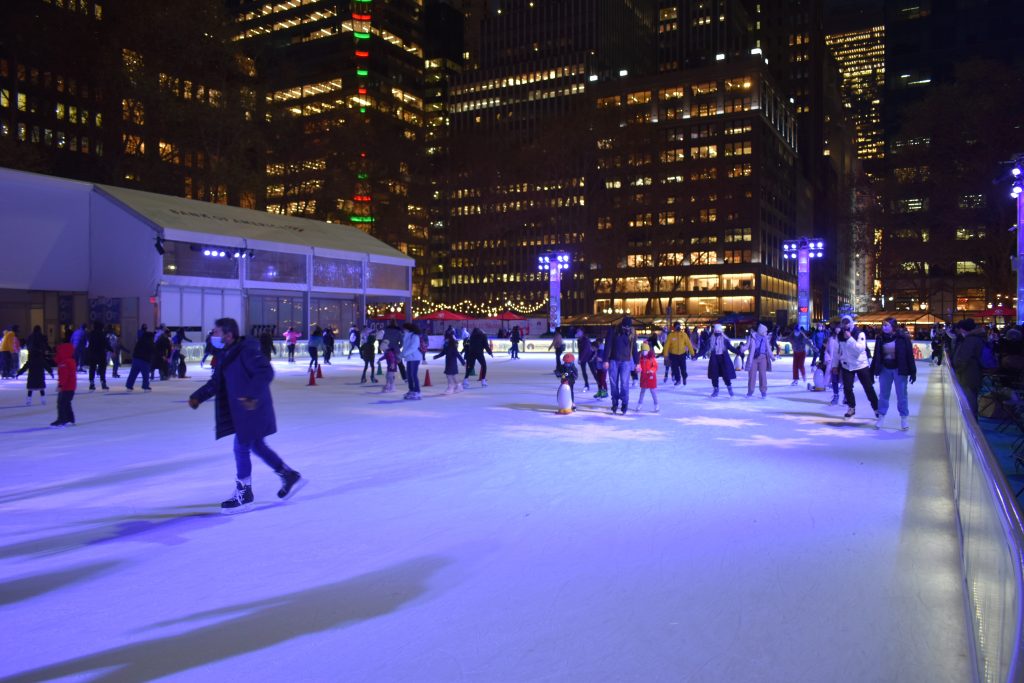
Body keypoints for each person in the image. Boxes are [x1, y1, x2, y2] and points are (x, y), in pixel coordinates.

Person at [188, 317, 304, 514]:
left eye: (216, 332)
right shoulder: (226, 355)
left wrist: (251, 395)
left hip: (253, 408)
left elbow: (265, 371)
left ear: (228, 334)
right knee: (256, 445)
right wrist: (198, 397)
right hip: (243, 410)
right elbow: (216, 383)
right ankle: (287, 474)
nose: (212, 335)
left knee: (241, 447)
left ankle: (244, 493)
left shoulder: (246, 352)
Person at [870, 318, 917, 431]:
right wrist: (872, 371)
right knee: (883, 395)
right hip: (885, 369)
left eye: (886, 325)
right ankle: (881, 416)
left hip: (900, 370)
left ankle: (904, 418)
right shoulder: (880, 338)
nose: (884, 327)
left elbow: (909, 355)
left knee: (902, 395)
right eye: (883, 325)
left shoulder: (903, 338)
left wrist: (913, 371)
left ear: (893, 326)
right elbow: (876, 355)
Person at [838, 315, 879, 420]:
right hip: (847, 365)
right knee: (847, 388)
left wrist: (850, 338)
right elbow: (838, 350)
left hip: (861, 364)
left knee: (868, 387)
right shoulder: (840, 335)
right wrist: (835, 364)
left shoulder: (859, 333)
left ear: (851, 323)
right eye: (844, 322)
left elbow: (860, 349)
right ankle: (851, 407)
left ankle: (876, 408)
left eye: (847, 322)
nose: (846, 324)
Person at [952, 318, 986, 417]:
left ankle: (971, 423)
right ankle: (972, 420)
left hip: (969, 373)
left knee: (969, 399)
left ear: (963, 329)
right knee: (971, 396)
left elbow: (963, 358)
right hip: (972, 372)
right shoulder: (975, 338)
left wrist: (958, 369)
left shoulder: (970, 340)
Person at [604, 317, 635, 414]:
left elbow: (634, 347)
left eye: (629, 327)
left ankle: (625, 403)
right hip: (613, 361)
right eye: (626, 326)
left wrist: (637, 362)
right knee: (614, 384)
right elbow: (607, 345)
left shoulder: (631, 333)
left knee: (624, 384)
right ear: (622, 325)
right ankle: (615, 403)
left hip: (625, 362)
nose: (627, 328)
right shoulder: (613, 331)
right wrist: (606, 360)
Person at [17, 326, 53, 405]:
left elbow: (26, 365)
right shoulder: (41, 337)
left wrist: (19, 372)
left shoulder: (30, 337)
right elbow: (45, 365)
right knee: (40, 385)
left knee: (31, 386)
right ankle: (43, 399)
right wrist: (51, 372)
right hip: (39, 363)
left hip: (32, 362)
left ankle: (29, 400)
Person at [706, 324, 741, 397]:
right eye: (716, 331)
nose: (717, 332)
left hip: (723, 359)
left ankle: (729, 388)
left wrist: (739, 352)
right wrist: (696, 355)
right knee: (714, 375)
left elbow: (731, 348)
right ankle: (716, 389)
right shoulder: (711, 339)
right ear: (714, 331)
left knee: (726, 375)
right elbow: (704, 349)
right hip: (714, 359)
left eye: (719, 331)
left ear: (721, 331)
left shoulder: (724, 340)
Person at [745, 324, 773, 398]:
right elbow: (747, 345)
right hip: (753, 358)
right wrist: (743, 348)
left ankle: (763, 391)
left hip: (763, 358)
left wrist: (772, 356)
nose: (766, 333)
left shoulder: (765, 338)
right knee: (752, 375)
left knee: (763, 375)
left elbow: (768, 349)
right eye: (765, 331)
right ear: (761, 331)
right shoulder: (752, 337)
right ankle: (750, 392)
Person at [52, 342, 77, 427]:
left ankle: (62, 419)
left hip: (66, 387)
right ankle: (70, 418)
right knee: (66, 403)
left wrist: (60, 386)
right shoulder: (71, 361)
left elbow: (64, 376)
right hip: (71, 387)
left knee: (61, 403)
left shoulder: (64, 363)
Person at [434, 328, 465, 394]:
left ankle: (451, 387)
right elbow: (443, 352)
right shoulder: (447, 344)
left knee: (449, 375)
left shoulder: (452, 345)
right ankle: (458, 386)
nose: (444, 338)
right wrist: (437, 356)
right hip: (448, 361)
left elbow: (458, 354)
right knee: (452, 375)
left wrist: (463, 362)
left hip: (452, 362)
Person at [664, 321, 696, 386]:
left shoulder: (684, 335)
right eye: (676, 326)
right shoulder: (671, 335)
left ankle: (684, 378)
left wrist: (692, 354)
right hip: (673, 355)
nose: (677, 327)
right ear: (674, 327)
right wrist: (666, 355)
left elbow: (689, 344)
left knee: (683, 368)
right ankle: (678, 380)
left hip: (682, 354)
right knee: (675, 369)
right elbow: (666, 346)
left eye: (678, 326)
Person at [86, 321, 110, 391]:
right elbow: (106, 343)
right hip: (101, 354)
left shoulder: (91, 334)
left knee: (92, 368)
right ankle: (103, 383)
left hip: (92, 354)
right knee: (102, 369)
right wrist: (111, 350)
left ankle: (92, 383)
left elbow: (89, 344)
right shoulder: (102, 334)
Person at [401, 323, 423, 400]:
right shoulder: (406, 336)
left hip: (415, 358)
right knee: (409, 375)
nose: (403, 330)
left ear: (407, 329)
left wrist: (404, 354)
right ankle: (411, 390)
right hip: (409, 358)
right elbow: (405, 347)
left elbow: (413, 347)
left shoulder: (414, 336)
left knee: (413, 375)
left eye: (404, 329)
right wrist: (401, 355)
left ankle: (417, 391)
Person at [636, 342, 660, 413]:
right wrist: (638, 369)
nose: (644, 352)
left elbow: (655, 366)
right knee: (642, 391)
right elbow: (638, 366)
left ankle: (656, 404)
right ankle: (639, 404)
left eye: (645, 351)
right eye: (643, 351)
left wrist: (652, 370)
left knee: (653, 392)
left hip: (651, 377)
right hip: (643, 377)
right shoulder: (640, 359)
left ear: (648, 351)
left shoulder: (652, 359)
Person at [822, 324, 842, 406]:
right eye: (836, 328)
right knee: (834, 380)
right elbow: (826, 350)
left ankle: (846, 397)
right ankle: (836, 395)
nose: (838, 330)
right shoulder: (831, 339)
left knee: (846, 381)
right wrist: (827, 358)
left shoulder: (844, 338)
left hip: (843, 363)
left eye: (839, 328)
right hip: (834, 363)